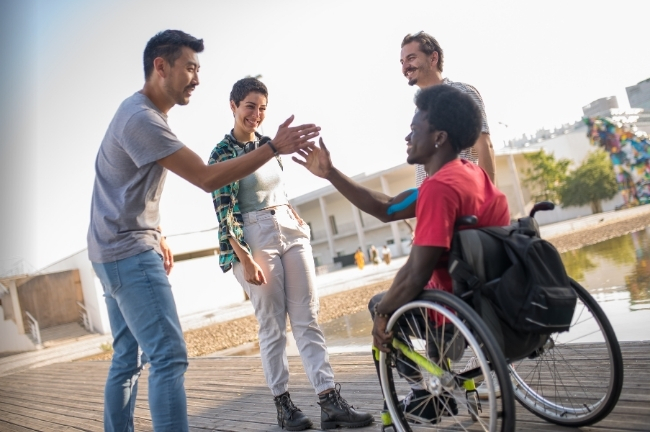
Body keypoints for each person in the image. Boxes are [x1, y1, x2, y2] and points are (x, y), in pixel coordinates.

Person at [88, 30, 320, 432]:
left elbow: (124, 185)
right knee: (169, 357)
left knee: (127, 357)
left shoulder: (138, 113)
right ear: (161, 67)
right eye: (190, 68)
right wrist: (272, 148)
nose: (197, 78)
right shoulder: (143, 119)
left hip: (109, 248)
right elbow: (207, 179)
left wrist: (157, 229)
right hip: (128, 252)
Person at [296, 85, 509, 423]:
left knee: (381, 304)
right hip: (493, 303)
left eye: (414, 129)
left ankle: (426, 391)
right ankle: (432, 387)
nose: (407, 136)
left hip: (458, 313)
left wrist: (383, 314)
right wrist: (331, 173)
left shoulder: (439, 189)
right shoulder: (473, 174)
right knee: (406, 298)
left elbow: (415, 273)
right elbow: (388, 207)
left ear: (438, 137)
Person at [208, 78, 373, 431]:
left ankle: (330, 400)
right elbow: (225, 211)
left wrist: (291, 212)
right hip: (253, 236)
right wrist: (244, 256)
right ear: (233, 106)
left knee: (307, 318)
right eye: (250, 106)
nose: (257, 114)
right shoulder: (221, 153)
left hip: (288, 228)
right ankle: (284, 407)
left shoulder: (269, 145)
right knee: (272, 326)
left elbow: (274, 190)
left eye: (263, 107)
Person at [400, 31, 496, 185]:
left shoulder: (460, 93)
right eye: (402, 62)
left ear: (433, 58)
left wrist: (486, 203)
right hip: (436, 203)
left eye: (411, 58)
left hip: (462, 198)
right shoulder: (419, 110)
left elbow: (484, 146)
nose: (405, 67)